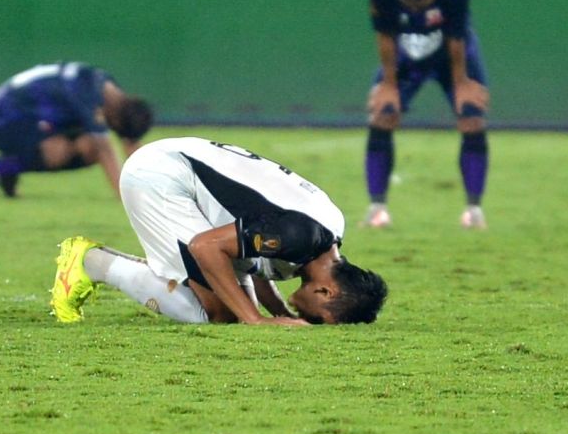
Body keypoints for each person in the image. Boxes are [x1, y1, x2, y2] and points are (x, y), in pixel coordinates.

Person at [51, 137, 388, 326]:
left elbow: (255, 258)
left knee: (233, 307)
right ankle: (91, 262)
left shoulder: (326, 231)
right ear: (326, 292)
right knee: (221, 315)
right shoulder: (299, 236)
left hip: (179, 165)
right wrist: (257, 320)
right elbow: (206, 248)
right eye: (320, 320)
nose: (311, 322)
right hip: (160, 177)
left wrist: (280, 315)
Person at [362, 0, 491, 230]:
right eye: (409, 2)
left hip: (452, 55)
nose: (414, 7)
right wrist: (388, 83)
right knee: (382, 115)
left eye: (421, 2)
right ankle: (377, 209)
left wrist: (461, 83)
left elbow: (457, 38)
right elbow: (385, 36)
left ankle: (474, 210)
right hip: (406, 54)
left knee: (472, 119)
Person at [0, 61, 153, 199]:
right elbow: (104, 149)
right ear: (115, 119)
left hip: (20, 116)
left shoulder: (106, 87)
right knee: (65, 150)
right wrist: (127, 198)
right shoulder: (88, 95)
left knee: (86, 146)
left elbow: (129, 144)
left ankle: (7, 170)